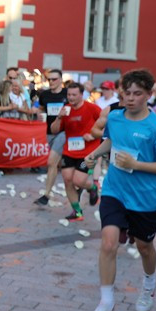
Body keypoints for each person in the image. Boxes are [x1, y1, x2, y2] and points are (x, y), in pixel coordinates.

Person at [82, 69, 156, 311]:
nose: (131, 98)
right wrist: (95, 153)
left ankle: (149, 284)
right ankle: (105, 301)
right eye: (128, 93)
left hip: (145, 199)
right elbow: (111, 142)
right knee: (108, 243)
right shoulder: (114, 117)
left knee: (145, 247)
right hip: (115, 191)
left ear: (148, 95)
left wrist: (137, 164)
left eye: (138, 93)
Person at [50, 81, 101, 222]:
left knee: (78, 180)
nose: (70, 97)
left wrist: (94, 135)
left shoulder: (93, 108)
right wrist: (59, 117)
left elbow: (106, 126)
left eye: (74, 95)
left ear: (81, 95)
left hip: (89, 151)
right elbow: (54, 130)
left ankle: (92, 188)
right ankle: (77, 211)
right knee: (67, 179)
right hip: (70, 149)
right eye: (68, 94)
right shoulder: (66, 109)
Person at [34, 70, 68, 206]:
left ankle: (46, 195)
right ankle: (82, 186)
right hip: (49, 132)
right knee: (59, 164)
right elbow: (41, 108)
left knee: (51, 162)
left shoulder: (67, 94)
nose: (51, 82)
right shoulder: (45, 94)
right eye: (49, 80)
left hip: (65, 132)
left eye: (54, 79)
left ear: (60, 80)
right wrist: (39, 113)